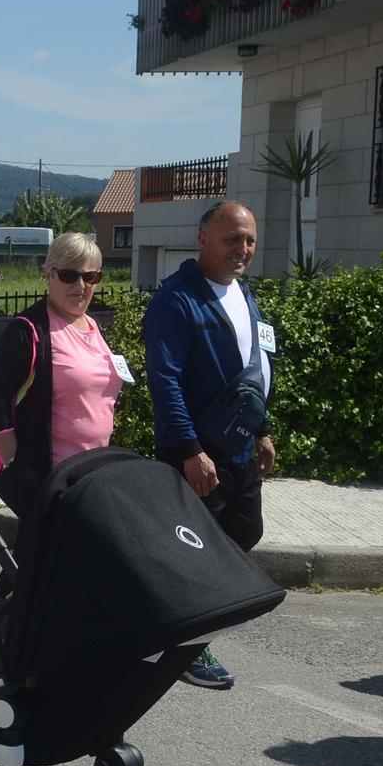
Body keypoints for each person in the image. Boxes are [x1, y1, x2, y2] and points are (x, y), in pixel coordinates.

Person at [142, 200, 275, 691]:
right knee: (196, 550)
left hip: (239, 448)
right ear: (203, 240)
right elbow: (166, 380)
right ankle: (188, 644)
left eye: (249, 240)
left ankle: (163, 619)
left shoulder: (244, 294)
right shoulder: (178, 300)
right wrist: (187, 449)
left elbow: (253, 371)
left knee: (244, 532)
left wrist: (261, 429)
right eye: (232, 239)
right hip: (199, 453)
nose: (243, 249)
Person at [0, 233, 122, 520]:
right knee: (50, 557)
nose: (80, 286)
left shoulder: (93, 326)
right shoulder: (28, 330)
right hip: (50, 478)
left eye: (90, 276)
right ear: (48, 275)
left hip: (92, 473)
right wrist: (12, 457)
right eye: (69, 275)